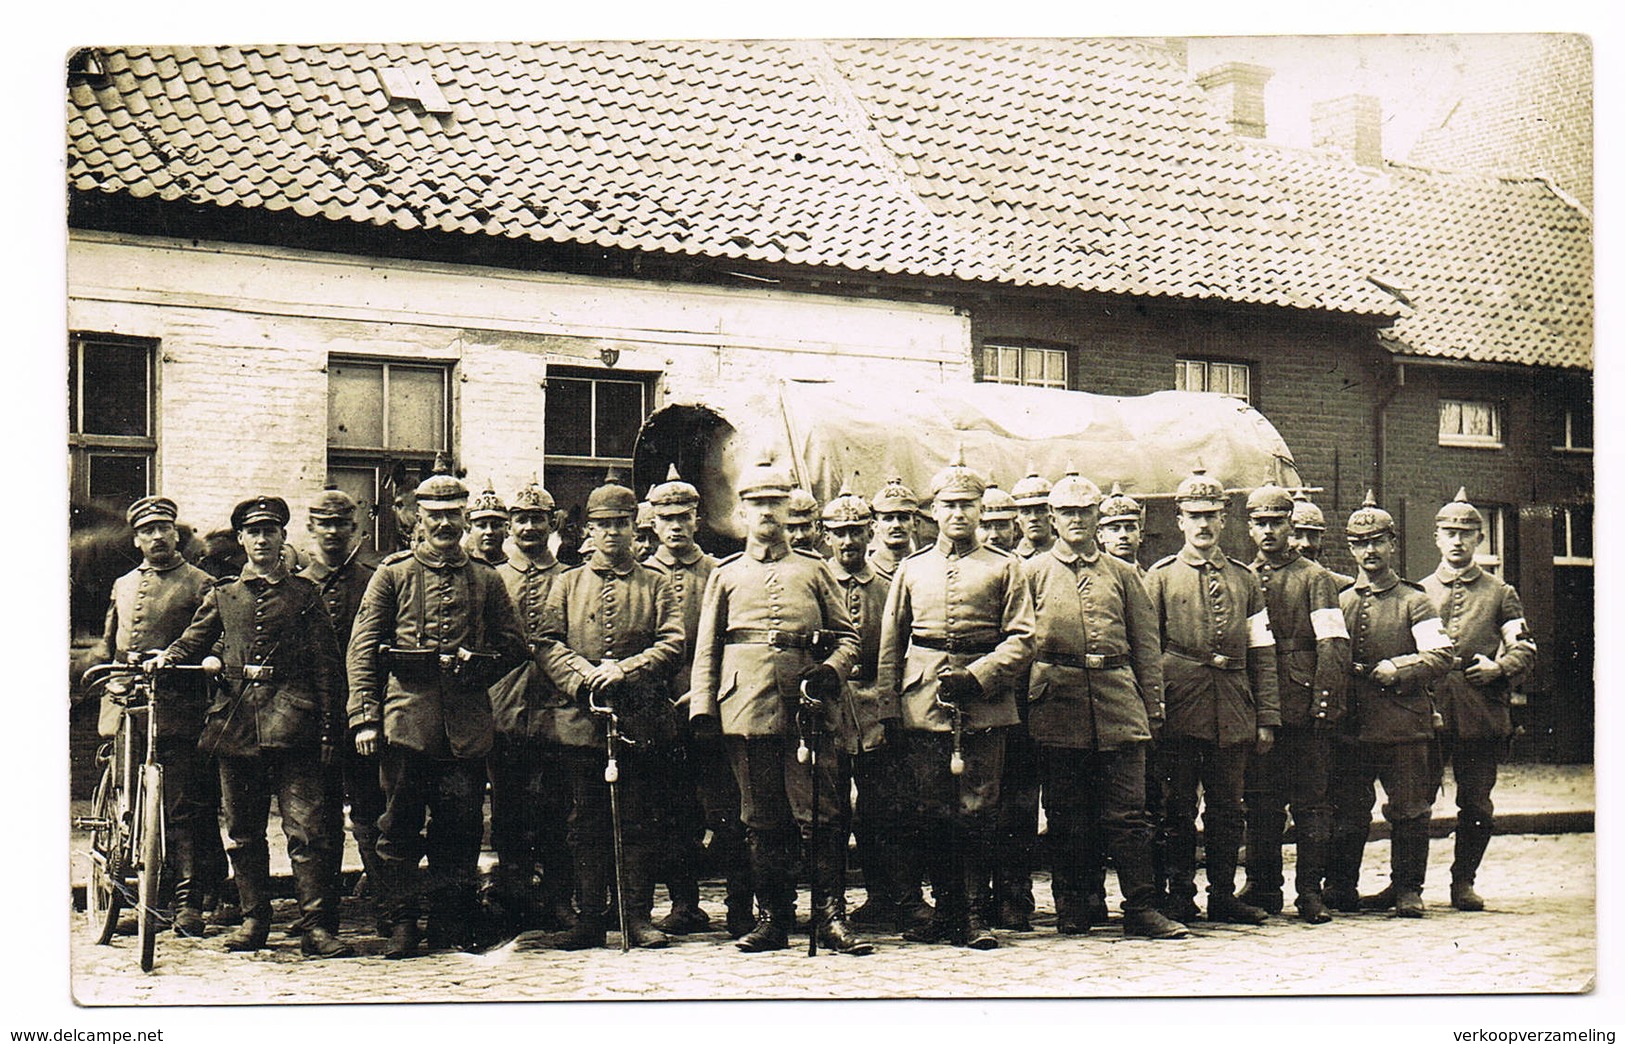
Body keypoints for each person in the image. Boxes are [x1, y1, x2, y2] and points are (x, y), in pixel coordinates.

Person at [689, 453, 868, 955]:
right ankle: (772, 917)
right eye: (757, 502)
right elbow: (708, 646)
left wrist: (830, 670)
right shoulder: (725, 575)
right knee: (761, 817)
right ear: (743, 511)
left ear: (790, 508)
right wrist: (704, 709)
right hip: (745, 706)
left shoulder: (813, 571)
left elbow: (849, 639)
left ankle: (830, 917)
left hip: (808, 710)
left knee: (822, 815)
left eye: (775, 501)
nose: (767, 511)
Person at [160, 495, 351, 957]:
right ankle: (253, 922)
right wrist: (166, 658)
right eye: (254, 532)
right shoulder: (224, 595)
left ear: (283, 537)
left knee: (306, 831)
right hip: (237, 728)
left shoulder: (306, 596)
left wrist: (329, 731)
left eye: (271, 531)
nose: (262, 539)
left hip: (296, 729)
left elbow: (328, 668)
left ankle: (316, 928)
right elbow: (193, 640)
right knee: (243, 833)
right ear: (242, 539)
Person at [347, 472, 528, 957]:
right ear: (419, 521)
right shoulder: (393, 574)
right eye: (435, 516)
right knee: (399, 825)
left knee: (461, 827)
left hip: (466, 730)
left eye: (454, 514)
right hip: (406, 722)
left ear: (466, 518)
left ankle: (449, 922)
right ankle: (402, 921)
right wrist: (365, 716)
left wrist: (477, 668)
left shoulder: (486, 579)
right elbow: (362, 648)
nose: (446, 524)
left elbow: (515, 646)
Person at [878, 449, 1035, 950]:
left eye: (968, 505)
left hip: (984, 703)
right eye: (949, 505)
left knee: (978, 807)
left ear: (980, 511)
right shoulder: (912, 568)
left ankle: (971, 914)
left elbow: (1022, 637)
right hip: (923, 699)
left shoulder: (1005, 567)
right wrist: (889, 709)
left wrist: (981, 675)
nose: (959, 514)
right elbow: (890, 645)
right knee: (932, 809)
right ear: (934, 512)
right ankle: (944, 910)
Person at [1023, 472, 1188, 939]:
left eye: (1084, 512)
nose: (1077, 520)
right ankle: (1073, 907)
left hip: (1118, 700)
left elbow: (1146, 645)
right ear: (1052, 519)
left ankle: (1140, 908)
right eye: (1067, 513)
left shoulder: (1123, 574)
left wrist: (1152, 707)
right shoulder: (1032, 572)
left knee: (1129, 815)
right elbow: (1018, 643)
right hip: (1057, 702)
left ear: (1097, 517)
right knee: (1066, 813)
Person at [536, 479, 685, 950]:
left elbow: (673, 642)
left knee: (638, 820)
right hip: (581, 723)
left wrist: (625, 669)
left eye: (621, 525)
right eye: (602, 525)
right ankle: (589, 918)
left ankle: (635, 916)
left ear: (635, 530)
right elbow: (545, 642)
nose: (612, 534)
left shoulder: (655, 584)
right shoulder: (567, 583)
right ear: (588, 531)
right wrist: (581, 674)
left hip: (638, 722)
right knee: (585, 822)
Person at [1144, 466, 1279, 926]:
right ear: (1180, 520)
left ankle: (1222, 894)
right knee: (1177, 807)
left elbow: (1262, 651)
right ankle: (1179, 894)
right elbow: (1147, 650)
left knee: (1228, 809)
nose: (1203, 525)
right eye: (1194, 516)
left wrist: (1266, 716)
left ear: (1225, 521)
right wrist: (1154, 710)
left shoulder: (1245, 579)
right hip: (1180, 704)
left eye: (1212, 516)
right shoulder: (1159, 578)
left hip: (1234, 707)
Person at [1323, 492, 1454, 918]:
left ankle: (1407, 890)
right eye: (1360, 543)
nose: (1370, 551)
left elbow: (1440, 655)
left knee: (1410, 810)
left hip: (1403, 725)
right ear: (1350, 549)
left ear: (1393, 544)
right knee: (1347, 809)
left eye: (1378, 541)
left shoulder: (1415, 600)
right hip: (1353, 727)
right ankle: (1341, 886)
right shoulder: (1339, 601)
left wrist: (1397, 668)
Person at [95, 495, 220, 938]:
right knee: (129, 804)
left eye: (164, 528)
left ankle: (188, 902)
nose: (157, 537)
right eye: (147, 530)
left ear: (176, 533)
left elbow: (210, 643)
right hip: (128, 706)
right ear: (137, 539)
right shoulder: (124, 584)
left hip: (180, 707)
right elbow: (109, 645)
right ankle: (137, 896)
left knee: (182, 806)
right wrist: (104, 674)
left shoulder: (202, 583)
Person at [644, 465, 751, 938]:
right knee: (671, 810)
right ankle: (684, 904)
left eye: (683, 516)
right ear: (652, 522)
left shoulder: (718, 572)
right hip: (660, 710)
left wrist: (705, 690)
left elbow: (731, 641)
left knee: (726, 809)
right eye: (666, 517)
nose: (675, 526)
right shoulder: (642, 575)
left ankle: (740, 907)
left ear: (697, 518)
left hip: (711, 708)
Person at [1237, 483, 1351, 925]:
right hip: (1263, 707)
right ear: (1249, 528)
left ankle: (1309, 892)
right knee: (1261, 801)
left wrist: (1323, 703)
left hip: (1304, 706)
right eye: (1260, 524)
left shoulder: (1314, 577)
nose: (1269, 532)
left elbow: (1333, 644)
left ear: (1290, 525)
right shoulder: (1245, 576)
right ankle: (1263, 886)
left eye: (1277, 523)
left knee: (1310, 804)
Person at [1419, 488, 1536, 912]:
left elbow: (1525, 648)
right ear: (1436, 537)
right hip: (1426, 711)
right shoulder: (1418, 592)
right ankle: (1405, 885)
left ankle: (1462, 882)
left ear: (1479, 540)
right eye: (1449, 532)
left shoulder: (1500, 593)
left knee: (1477, 805)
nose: (1456, 541)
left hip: (1479, 711)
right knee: (1414, 803)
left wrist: (1499, 668)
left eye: (1466, 533)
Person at [823, 480, 931, 934]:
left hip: (877, 704)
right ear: (825, 534)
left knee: (886, 808)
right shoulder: (814, 578)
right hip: (826, 708)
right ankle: (833, 906)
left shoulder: (892, 583)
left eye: (856, 531)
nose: (848, 540)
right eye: (839, 531)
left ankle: (895, 896)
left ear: (870, 534)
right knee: (828, 810)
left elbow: (903, 647)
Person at [486, 477, 574, 933]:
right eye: (520, 519)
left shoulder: (570, 578)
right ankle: (516, 897)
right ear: (508, 526)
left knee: (557, 809)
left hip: (558, 709)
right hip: (505, 707)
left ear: (552, 522)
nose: (528, 527)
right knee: (510, 810)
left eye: (537, 518)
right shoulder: (493, 577)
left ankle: (559, 897)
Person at [296, 487, 383, 938]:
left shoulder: (375, 579)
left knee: (371, 812)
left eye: (340, 524)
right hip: (310, 721)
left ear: (355, 529)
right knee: (318, 819)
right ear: (310, 529)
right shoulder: (295, 584)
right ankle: (321, 917)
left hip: (363, 717)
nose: (332, 532)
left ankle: (387, 908)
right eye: (322, 524)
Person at [1290, 493, 1354, 589]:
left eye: (1313, 536)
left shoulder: (1340, 584)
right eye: (1297, 535)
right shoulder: (1267, 582)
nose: (1306, 544)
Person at [867, 477, 919, 580]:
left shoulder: (925, 567)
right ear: (875, 526)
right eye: (888, 519)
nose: (896, 525)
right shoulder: (867, 569)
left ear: (915, 523)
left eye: (903, 518)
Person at [1011, 467, 1056, 559]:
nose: (1033, 518)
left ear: (1052, 515)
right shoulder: (1012, 559)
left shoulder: (1068, 553)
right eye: (1026, 512)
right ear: (1017, 519)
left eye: (1040, 511)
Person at [466, 482, 510, 567]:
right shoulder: (463, 569)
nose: (489, 532)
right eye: (481, 526)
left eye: (496, 525)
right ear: (469, 529)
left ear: (506, 529)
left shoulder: (514, 569)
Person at [785, 486, 830, 557]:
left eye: (805, 527)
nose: (800, 536)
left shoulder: (824, 567)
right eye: (791, 529)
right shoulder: (767, 567)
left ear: (817, 528)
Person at [978, 482, 1020, 552]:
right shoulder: (959, 562)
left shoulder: (1025, 562)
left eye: (1002, 526)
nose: (994, 536)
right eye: (985, 527)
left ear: (1015, 529)